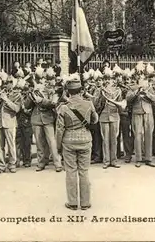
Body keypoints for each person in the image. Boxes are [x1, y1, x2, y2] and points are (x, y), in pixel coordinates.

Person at [56, 76, 98, 211]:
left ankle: (73, 202)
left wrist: (58, 146)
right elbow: (95, 120)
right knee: (84, 171)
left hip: (69, 141)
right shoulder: (89, 103)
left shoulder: (63, 108)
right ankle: (85, 202)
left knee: (71, 172)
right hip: (85, 140)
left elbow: (59, 129)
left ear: (68, 92)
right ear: (81, 90)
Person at [93, 67, 124, 169]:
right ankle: (106, 161)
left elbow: (121, 105)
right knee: (105, 139)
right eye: (106, 79)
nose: (108, 81)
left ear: (113, 80)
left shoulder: (118, 91)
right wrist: (101, 96)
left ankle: (114, 160)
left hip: (114, 115)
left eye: (110, 79)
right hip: (104, 116)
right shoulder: (99, 90)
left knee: (114, 139)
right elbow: (95, 104)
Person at [126, 66, 155, 168]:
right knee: (137, 135)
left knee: (149, 134)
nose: (142, 79)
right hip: (137, 112)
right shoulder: (132, 87)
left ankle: (148, 158)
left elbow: (154, 98)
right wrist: (137, 91)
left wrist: (147, 93)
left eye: (144, 77)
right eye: (140, 77)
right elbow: (128, 99)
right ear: (137, 78)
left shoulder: (149, 87)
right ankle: (138, 158)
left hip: (148, 112)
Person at [0, 77, 22, 174]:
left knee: (11, 144)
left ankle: (12, 164)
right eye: (6, 82)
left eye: (9, 82)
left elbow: (17, 109)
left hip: (9, 122)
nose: (7, 84)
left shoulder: (17, 95)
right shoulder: (1, 93)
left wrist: (6, 100)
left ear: (13, 84)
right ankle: (1, 165)